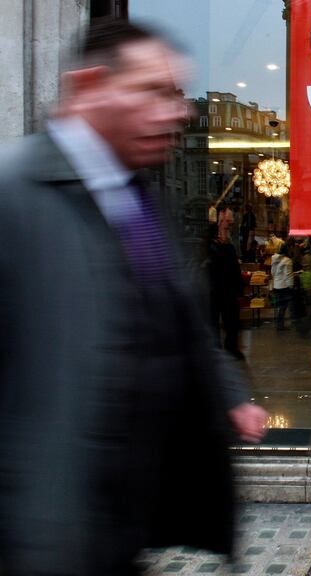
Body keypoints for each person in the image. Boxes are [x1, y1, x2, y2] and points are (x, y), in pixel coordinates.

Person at [0, 20, 267, 575]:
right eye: (156, 91)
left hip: (120, 529)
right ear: (91, 86)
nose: (179, 111)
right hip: (45, 536)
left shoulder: (141, 197)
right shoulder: (15, 197)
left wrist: (226, 391)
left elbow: (179, 318)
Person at [208, 219, 245, 359]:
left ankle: (215, 349)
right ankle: (231, 348)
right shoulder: (227, 249)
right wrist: (239, 289)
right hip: (227, 291)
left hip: (212, 291)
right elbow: (235, 270)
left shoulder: (205, 251)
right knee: (231, 322)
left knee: (212, 321)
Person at [270, 238, 295, 331]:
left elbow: (272, 272)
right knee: (283, 307)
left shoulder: (275, 259)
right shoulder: (287, 261)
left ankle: (279, 324)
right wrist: (291, 286)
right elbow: (288, 276)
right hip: (284, 287)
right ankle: (280, 326)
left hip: (276, 286)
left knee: (280, 307)